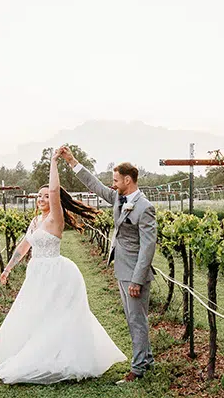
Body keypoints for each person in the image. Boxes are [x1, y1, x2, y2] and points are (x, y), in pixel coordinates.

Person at [0, 148, 127, 384]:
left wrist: (54, 162)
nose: (42, 199)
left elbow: (54, 190)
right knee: (38, 314)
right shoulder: (35, 221)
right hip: (36, 273)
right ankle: (42, 353)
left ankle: (60, 358)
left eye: (45, 196)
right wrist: (9, 267)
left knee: (59, 315)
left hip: (57, 272)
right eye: (38, 196)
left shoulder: (56, 216)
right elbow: (23, 247)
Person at [58, 146, 157, 384]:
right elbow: (95, 186)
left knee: (136, 319)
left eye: (115, 180)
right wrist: (72, 161)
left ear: (127, 180)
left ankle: (138, 369)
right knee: (134, 317)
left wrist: (136, 279)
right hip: (122, 268)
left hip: (135, 273)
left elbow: (148, 247)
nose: (112, 184)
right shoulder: (118, 198)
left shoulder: (145, 208)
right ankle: (147, 359)